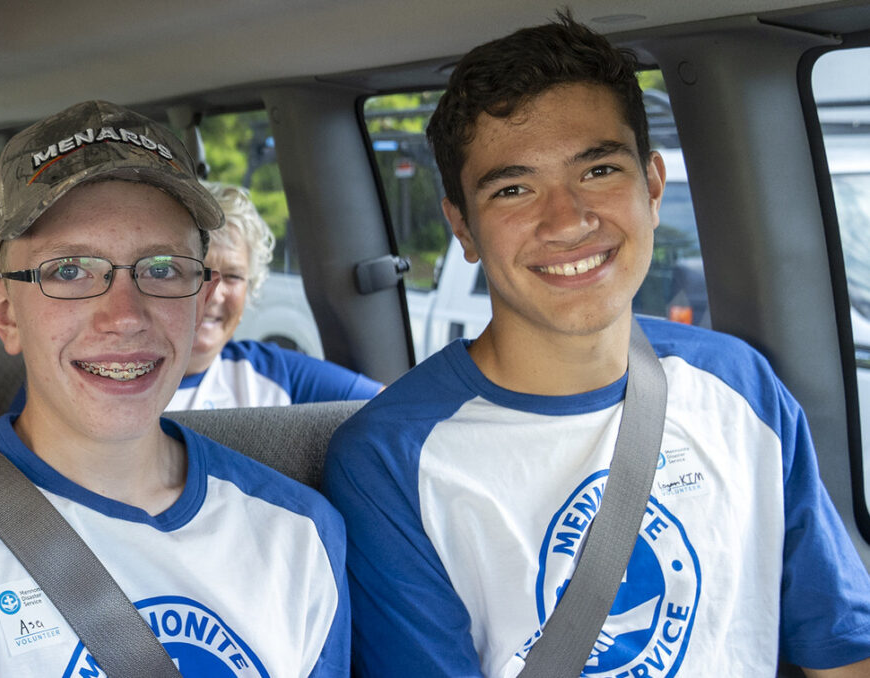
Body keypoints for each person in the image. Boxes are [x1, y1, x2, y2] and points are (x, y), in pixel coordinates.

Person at [323, 14, 870, 677]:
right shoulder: (389, 459)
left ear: (653, 188)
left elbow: (844, 651)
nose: (568, 221)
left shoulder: (739, 385)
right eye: (514, 189)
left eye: (599, 170)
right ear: (462, 228)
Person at [0, 100, 348, 677]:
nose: (125, 316)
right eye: (68, 271)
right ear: (4, 313)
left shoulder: (300, 533)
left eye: (162, 268)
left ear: (201, 299)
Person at [173, 181, 381, 409]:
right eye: (197, 272)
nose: (214, 295)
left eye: (233, 276)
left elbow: (393, 405)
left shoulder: (276, 374)